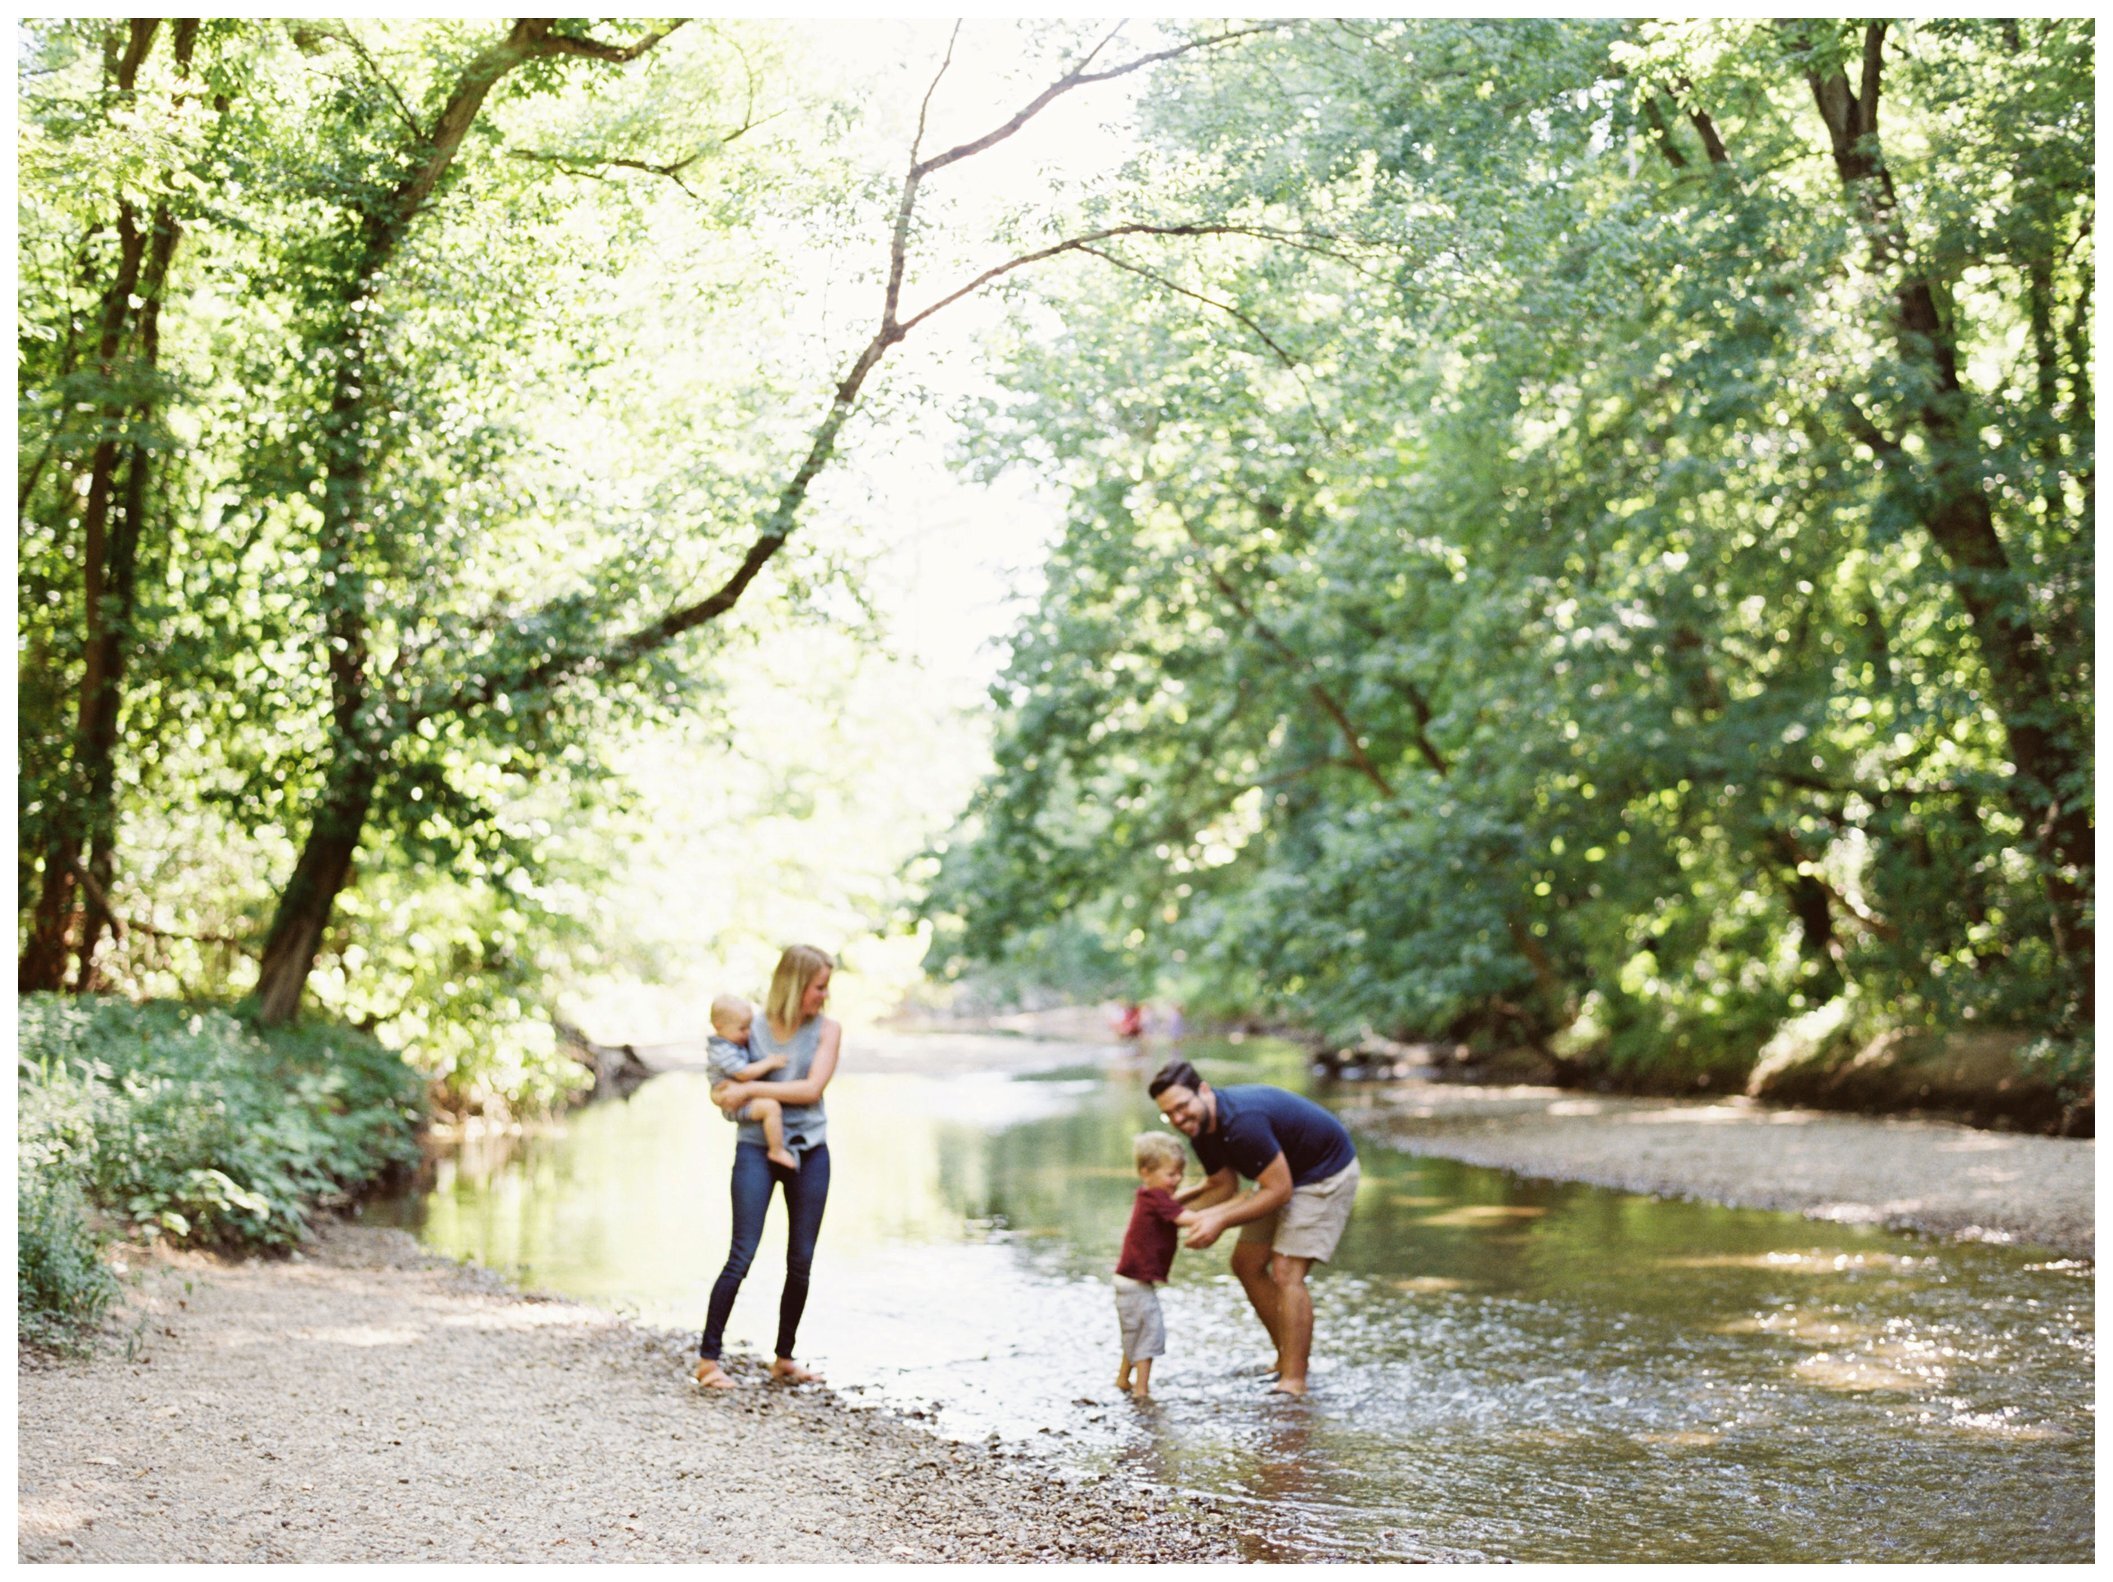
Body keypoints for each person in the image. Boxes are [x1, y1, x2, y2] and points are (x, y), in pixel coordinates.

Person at [1149, 1058, 1359, 1398]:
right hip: (1280, 1176)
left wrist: (1218, 1219)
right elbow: (1222, 1185)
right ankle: (1286, 1358)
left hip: (1324, 1172)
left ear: (1203, 1091)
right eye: (1168, 1114)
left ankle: (1294, 1380)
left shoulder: (1243, 1122)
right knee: (1245, 1264)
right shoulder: (1200, 1128)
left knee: (1286, 1269)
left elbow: (1281, 1191)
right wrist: (1163, 1210)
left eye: (1182, 1107)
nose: (1177, 1119)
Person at [692, 945, 840, 1391]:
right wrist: (727, 1094)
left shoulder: (828, 1030)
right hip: (757, 1149)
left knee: (801, 1260)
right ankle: (708, 1361)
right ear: (796, 985)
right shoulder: (748, 1027)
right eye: (819, 986)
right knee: (742, 1253)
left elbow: (812, 1089)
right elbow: (720, 1088)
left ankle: (784, 1358)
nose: (825, 995)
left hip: (810, 1151)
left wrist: (748, 1088)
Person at [1113, 1131, 1198, 1401]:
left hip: (1128, 1279)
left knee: (1135, 1330)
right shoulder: (1157, 1198)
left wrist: (1205, 1189)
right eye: (1171, 1174)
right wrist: (1218, 1217)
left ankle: (1123, 1378)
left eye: (1180, 1174)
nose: (1177, 1180)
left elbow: (1174, 1203)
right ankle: (1142, 1390)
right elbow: (1184, 1217)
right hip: (1136, 1283)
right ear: (1146, 1172)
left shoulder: (1148, 1194)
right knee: (1150, 1332)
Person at [704, 993, 800, 1173]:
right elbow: (742, 1073)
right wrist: (770, 1062)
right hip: (734, 1104)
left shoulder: (730, 1043)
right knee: (771, 1107)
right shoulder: (721, 1049)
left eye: (749, 1027)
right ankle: (776, 1150)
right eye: (743, 1029)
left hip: (739, 1098)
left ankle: (777, 1149)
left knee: (770, 1104)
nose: (748, 1033)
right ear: (719, 1027)